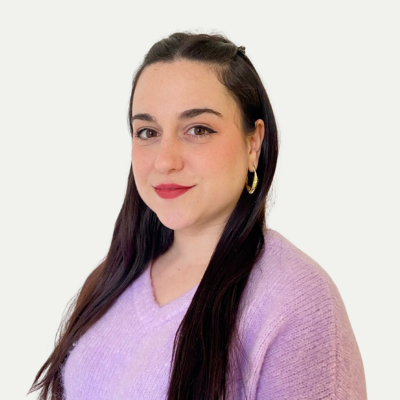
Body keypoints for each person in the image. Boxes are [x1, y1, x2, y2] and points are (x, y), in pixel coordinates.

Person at [28, 32, 367, 400]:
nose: (165, 160)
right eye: (148, 132)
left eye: (198, 130)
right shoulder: (115, 278)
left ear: (253, 143)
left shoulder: (295, 301)